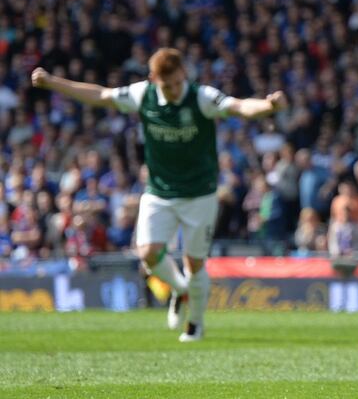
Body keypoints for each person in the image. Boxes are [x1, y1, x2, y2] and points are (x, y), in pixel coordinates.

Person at [31, 48, 285, 341]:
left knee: (195, 262)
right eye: (169, 85)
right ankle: (180, 289)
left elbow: (239, 106)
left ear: (184, 75)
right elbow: (101, 95)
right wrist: (52, 82)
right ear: (154, 79)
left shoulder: (201, 97)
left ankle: (195, 325)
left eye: (179, 82)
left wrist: (267, 106)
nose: (176, 90)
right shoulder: (143, 95)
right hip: (159, 192)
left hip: (199, 194)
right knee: (148, 253)